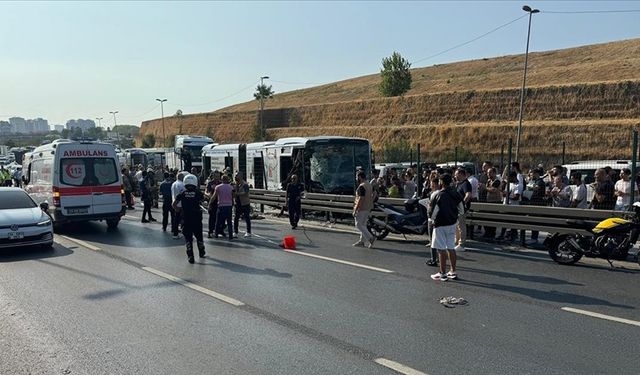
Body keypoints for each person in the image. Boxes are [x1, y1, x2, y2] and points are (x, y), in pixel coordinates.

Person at [429, 173, 464, 282]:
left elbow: (432, 213)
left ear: (441, 182)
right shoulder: (456, 194)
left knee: (441, 249)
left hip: (440, 224)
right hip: (452, 223)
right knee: (451, 247)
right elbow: (462, 210)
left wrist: (431, 220)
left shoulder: (437, 194)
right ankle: (453, 271)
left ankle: (442, 273)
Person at [172, 174, 205, 264]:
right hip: (197, 219)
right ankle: (201, 252)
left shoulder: (182, 193)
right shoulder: (198, 193)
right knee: (199, 237)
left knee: (188, 238)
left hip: (186, 219)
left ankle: (190, 256)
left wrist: (178, 210)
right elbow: (203, 201)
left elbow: (174, 204)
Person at [353, 170, 376, 248]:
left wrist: (356, 209)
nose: (356, 179)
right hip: (368, 207)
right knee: (363, 225)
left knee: (359, 225)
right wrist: (370, 200)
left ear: (359, 177)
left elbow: (360, 199)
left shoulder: (362, 186)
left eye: (357, 177)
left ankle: (370, 238)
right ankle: (362, 241)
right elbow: (375, 193)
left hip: (362, 208)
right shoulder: (369, 184)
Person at [454, 168, 472, 252]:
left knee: (461, 226)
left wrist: (462, 204)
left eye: (457, 174)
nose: (455, 176)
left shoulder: (466, 184)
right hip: (458, 208)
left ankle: (461, 244)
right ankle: (457, 241)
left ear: (461, 175)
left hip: (461, 208)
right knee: (457, 225)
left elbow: (468, 195)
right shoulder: (459, 184)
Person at [212, 174, 234, 240]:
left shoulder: (218, 187)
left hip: (221, 205)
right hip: (229, 206)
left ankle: (216, 234)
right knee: (229, 221)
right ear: (227, 180)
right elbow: (233, 196)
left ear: (221, 180)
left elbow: (214, 196)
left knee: (218, 221)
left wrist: (210, 203)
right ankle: (230, 236)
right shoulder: (231, 187)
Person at [233, 173, 252, 238]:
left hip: (245, 203)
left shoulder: (245, 184)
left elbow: (246, 193)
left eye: (236, 176)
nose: (235, 177)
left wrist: (237, 194)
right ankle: (235, 232)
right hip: (238, 203)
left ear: (240, 176)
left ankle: (248, 232)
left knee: (247, 217)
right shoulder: (235, 184)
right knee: (236, 218)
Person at [206, 171, 222, 238]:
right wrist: (209, 195)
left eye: (218, 176)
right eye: (216, 176)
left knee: (220, 218)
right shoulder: (210, 183)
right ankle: (210, 231)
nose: (217, 178)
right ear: (213, 176)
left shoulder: (221, 183)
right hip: (212, 202)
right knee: (212, 217)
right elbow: (206, 192)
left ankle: (219, 231)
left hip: (220, 202)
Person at [171, 172, 186, 239]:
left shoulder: (173, 184)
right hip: (181, 204)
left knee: (176, 220)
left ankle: (175, 233)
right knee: (184, 219)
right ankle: (185, 232)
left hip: (175, 203)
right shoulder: (182, 184)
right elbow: (183, 194)